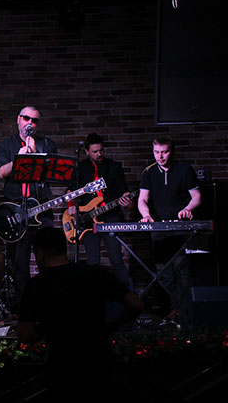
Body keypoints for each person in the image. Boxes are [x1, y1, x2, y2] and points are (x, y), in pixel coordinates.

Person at [17, 227, 144, 401]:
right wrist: (111, 326)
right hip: (99, 364)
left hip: (61, 368)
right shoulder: (96, 274)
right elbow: (136, 304)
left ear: (40, 254)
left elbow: (25, 334)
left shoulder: (36, 285)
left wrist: (44, 330)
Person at [0, 106, 58, 307]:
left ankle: (49, 304)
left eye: (34, 120)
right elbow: (2, 173)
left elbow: (53, 173)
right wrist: (19, 159)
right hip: (17, 210)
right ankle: (25, 307)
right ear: (18, 119)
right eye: (26, 118)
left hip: (42, 209)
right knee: (20, 263)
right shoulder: (7, 145)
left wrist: (35, 154)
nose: (30, 123)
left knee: (49, 259)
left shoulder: (47, 144)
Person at [138, 136, 201, 317]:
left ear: (171, 151)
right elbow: (143, 199)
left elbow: (196, 196)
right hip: (158, 226)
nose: (160, 156)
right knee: (162, 270)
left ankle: (182, 310)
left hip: (181, 225)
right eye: (156, 152)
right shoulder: (149, 172)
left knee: (181, 268)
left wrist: (188, 209)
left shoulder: (184, 170)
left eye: (164, 152)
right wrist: (146, 215)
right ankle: (171, 309)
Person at [67, 133, 134, 286]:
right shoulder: (80, 168)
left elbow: (124, 192)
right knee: (93, 262)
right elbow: (70, 191)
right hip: (88, 219)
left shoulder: (114, 167)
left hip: (110, 216)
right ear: (86, 151)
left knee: (116, 259)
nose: (99, 154)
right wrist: (71, 206)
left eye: (101, 150)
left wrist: (127, 202)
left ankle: (126, 292)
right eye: (95, 152)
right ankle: (95, 294)